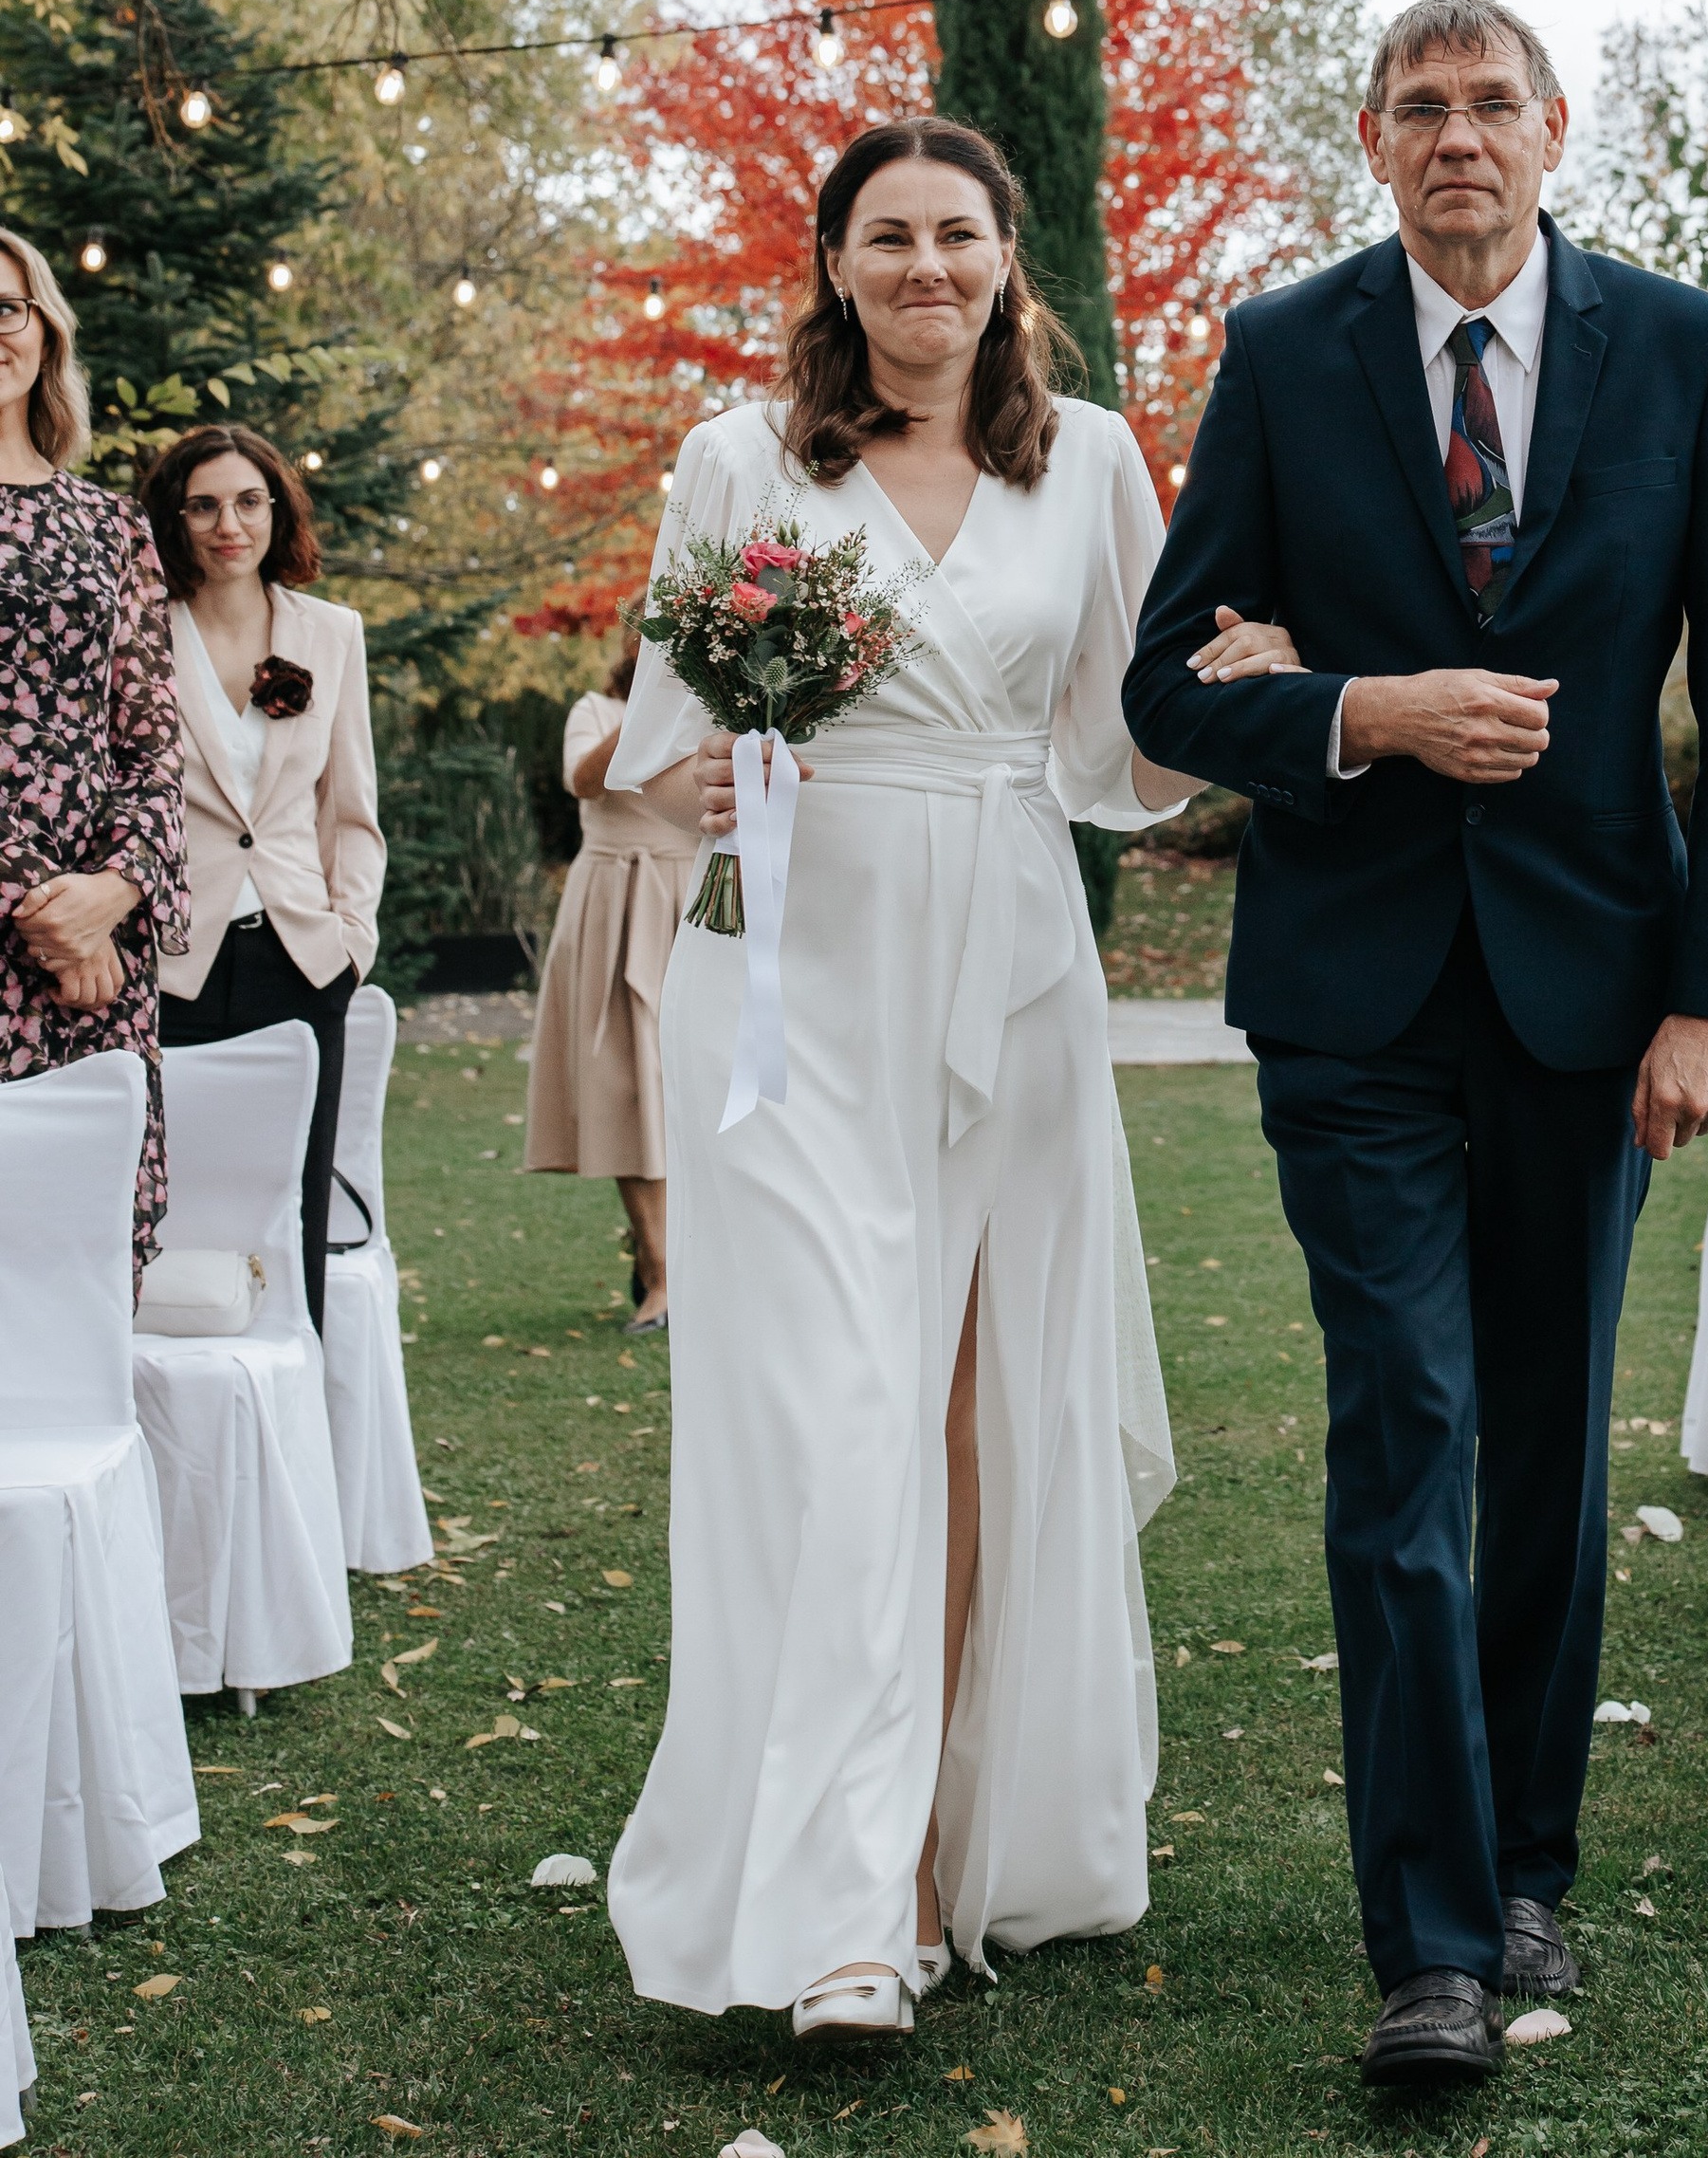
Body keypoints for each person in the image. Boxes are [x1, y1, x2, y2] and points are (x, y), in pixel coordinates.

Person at [1124, 0, 1708, 2092]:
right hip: (1352, 1001)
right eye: (1415, 108)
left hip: (1592, 1003)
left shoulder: (1682, 352)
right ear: (1369, 140)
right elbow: (1165, 684)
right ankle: (1425, 1944)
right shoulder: (1276, 351)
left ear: (1551, 127)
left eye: (1487, 102)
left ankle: (1527, 1862)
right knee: (1403, 1429)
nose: (1453, 137)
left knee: (1547, 1449)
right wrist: (1360, 711)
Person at [603, 117, 1219, 2041]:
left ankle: (962, 1849)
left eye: (957, 236)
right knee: (837, 1415)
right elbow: (649, 743)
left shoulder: (1092, 456)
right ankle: (837, 1909)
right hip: (799, 977)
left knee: (982, 1417)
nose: (923, 268)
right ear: (836, 264)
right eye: (888, 237)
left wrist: (1254, 697)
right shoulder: (739, 458)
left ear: (1002, 262)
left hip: (1015, 975)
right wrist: (684, 780)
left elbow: (1132, 746)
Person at [142, 421, 384, 1337]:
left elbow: (351, 812)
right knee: (173, 1202)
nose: (227, 524)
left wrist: (350, 940)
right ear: (176, 519)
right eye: (202, 504)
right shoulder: (141, 634)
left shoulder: (331, 634)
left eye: (247, 501)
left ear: (276, 511)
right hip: (172, 962)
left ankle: (302, 1422)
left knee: (298, 1210)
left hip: (301, 960)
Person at [0, 230, 187, 1293]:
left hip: (105, 961)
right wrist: (43, 911)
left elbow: (152, 741)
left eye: (7, 307)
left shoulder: (111, 524)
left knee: (82, 1264)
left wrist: (114, 892)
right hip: (40, 928)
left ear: (44, 329)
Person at [524, 648, 686, 1329]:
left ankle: (695, 1258)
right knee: (624, 1082)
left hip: (691, 900)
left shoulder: (711, 712)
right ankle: (659, 1270)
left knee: (690, 1088)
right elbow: (585, 781)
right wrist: (654, 697)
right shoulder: (596, 710)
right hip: (612, 902)